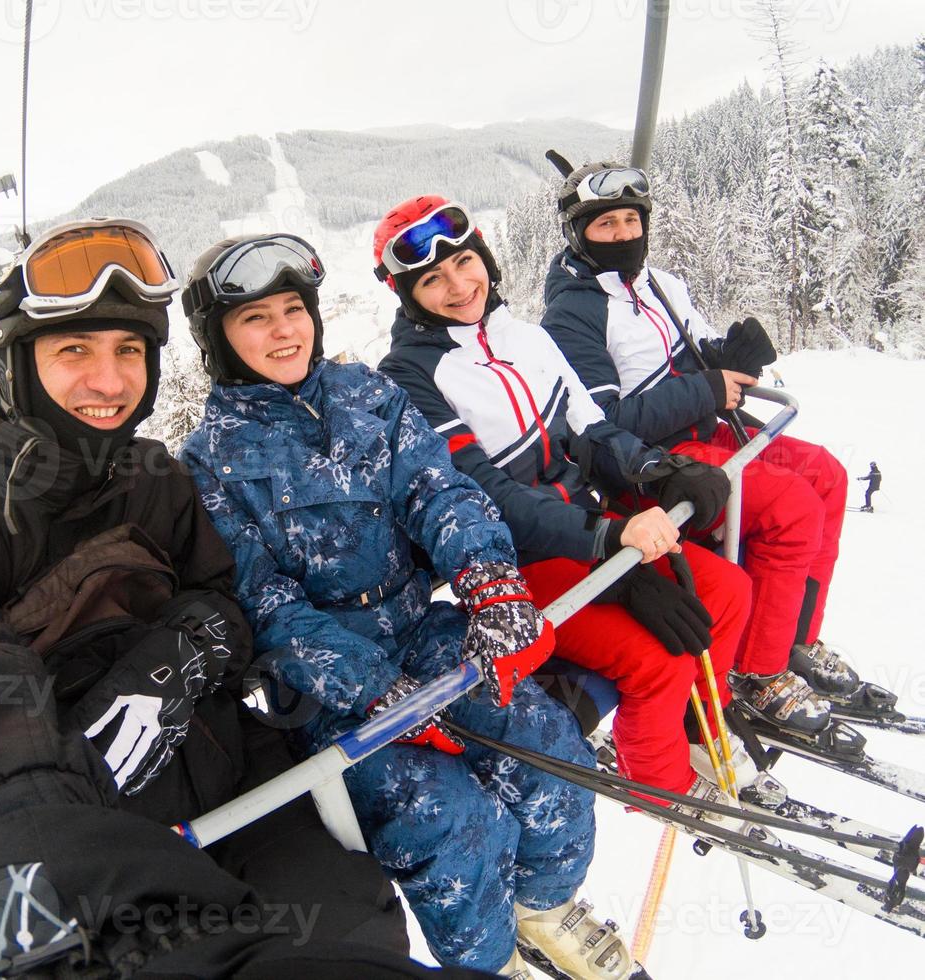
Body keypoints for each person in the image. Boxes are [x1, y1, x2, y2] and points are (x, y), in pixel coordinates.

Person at [0, 218, 475, 980]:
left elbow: (228, 596)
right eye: (74, 351)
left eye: (127, 352)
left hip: (240, 791)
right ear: (16, 367)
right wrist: (11, 840)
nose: (109, 382)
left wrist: (189, 650)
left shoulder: (156, 482)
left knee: (351, 935)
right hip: (101, 847)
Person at [180, 232, 636, 979]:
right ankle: (488, 962)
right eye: (255, 319)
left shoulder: (368, 397)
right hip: (332, 690)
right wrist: (373, 690)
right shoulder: (211, 461)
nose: (283, 331)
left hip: (423, 628)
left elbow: (438, 493)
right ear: (220, 340)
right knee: (450, 820)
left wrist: (489, 581)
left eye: (292, 310)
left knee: (548, 746)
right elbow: (260, 600)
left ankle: (543, 910)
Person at [372, 195, 767, 811]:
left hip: (591, 527)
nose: (457, 285)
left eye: (465, 262)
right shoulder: (409, 377)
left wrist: (659, 469)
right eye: (431, 279)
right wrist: (609, 551)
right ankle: (660, 784)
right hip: (520, 561)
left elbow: (594, 429)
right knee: (652, 661)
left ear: (487, 260)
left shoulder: (525, 338)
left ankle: (697, 731)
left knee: (728, 592)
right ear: (406, 294)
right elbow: (488, 496)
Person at [539, 156, 860, 732]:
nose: (622, 235)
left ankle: (792, 638)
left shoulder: (660, 284)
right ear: (578, 234)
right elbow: (608, 419)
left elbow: (686, 357)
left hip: (703, 434)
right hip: (653, 462)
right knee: (789, 508)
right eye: (604, 225)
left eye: (630, 222)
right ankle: (758, 675)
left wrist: (728, 356)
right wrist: (707, 389)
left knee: (826, 476)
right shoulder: (573, 315)